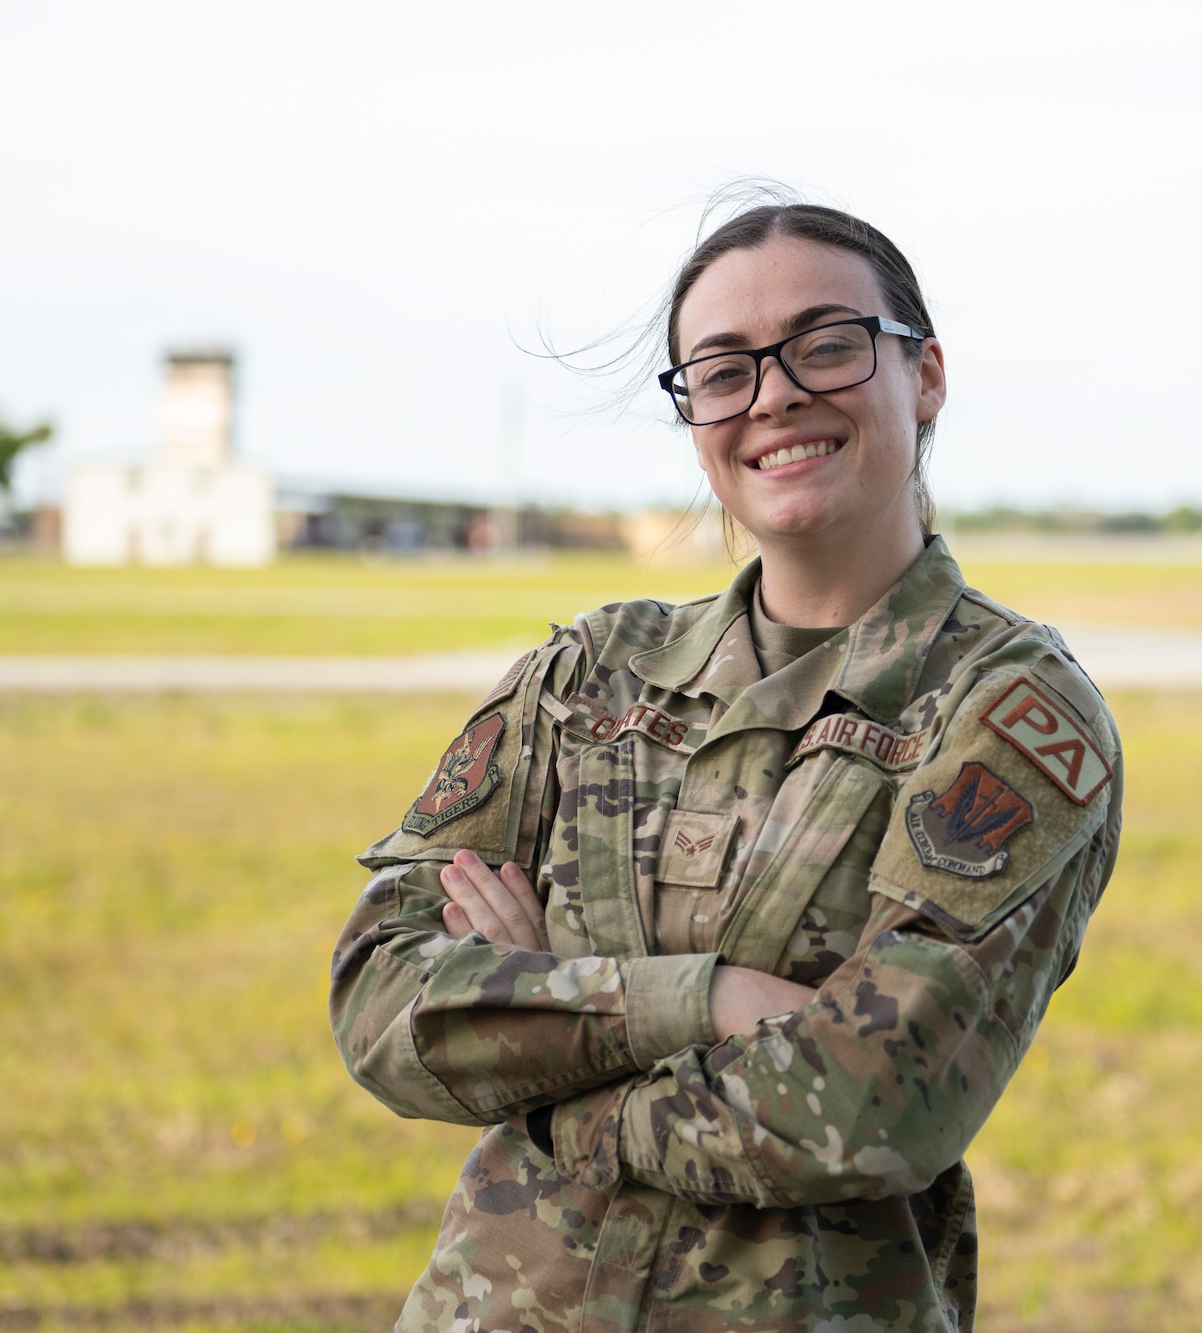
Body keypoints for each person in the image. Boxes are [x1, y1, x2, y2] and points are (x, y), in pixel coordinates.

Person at [329, 202, 1124, 1332]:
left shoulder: (1003, 711)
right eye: (722, 369)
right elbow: (380, 996)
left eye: (827, 343)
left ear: (925, 374)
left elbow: (866, 1103)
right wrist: (704, 1000)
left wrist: (551, 1070)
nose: (774, 393)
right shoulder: (588, 674)